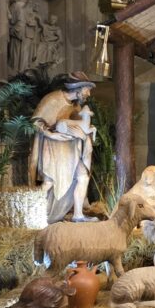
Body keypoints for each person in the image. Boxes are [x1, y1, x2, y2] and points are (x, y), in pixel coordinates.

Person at [29, 72, 98, 222]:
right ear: (78, 88)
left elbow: (79, 125)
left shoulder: (76, 105)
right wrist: (51, 134)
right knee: (49, 182)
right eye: (87, 90)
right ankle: (32, 214)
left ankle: (78, 215)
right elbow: (35, 122)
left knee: (83, 177)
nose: (88, 94)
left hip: (70, 149)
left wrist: (85, 133)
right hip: (52, 148)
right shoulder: (53, 99)